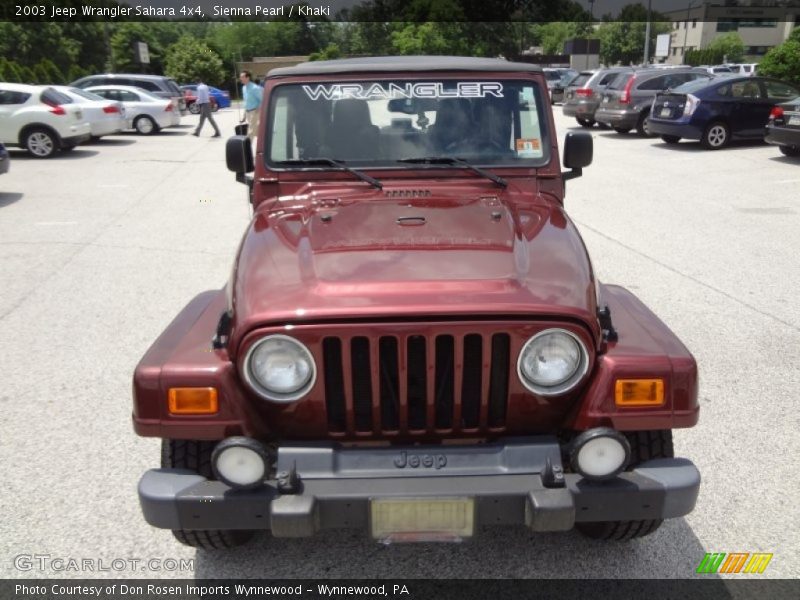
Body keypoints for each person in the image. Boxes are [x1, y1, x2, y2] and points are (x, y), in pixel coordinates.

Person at [239, 70, 263, 141]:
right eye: (240, 77)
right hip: (248, 112)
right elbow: (246, 102)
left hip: (254, 112)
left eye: (242, 77)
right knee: (256, 132)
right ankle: (265, 143)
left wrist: (258, 110)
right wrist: (244, 115)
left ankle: (247, 149)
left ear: (248, 78)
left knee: (251, 132)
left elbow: (262, 99)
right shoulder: (243, 88)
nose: (240, 78)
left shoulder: (255, 88)